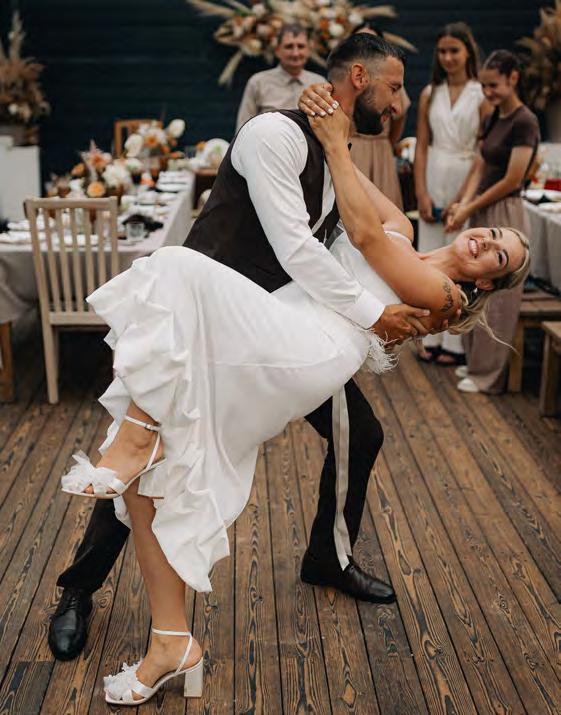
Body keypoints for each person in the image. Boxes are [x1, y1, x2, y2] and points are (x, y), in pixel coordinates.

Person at [60, 99, 529, 705]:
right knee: (157, 478)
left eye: (498, 255)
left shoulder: (440, 293)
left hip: (309, 346)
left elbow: (364, 234)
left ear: (486, 282)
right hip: (278, 319)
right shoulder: (405, 232)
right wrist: (328, 127)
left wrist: (334, 141)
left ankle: (140, 438)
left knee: (175, 266)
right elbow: (356, 189)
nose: (485, 241)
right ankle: (170, 641)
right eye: (493, 233)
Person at [49, 33, 429, 666]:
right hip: (198, 331)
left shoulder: (335, 156)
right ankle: (77, 591)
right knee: (141, 457)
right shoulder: (273, 135)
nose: (400, 103)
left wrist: (341, 147)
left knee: (359, 433)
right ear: (359, 79)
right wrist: (374, 313)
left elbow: (390, 225)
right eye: (394, 88)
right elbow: (296, 249)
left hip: (279, 333)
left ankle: (328, 557)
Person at [446, 50, 540, 393]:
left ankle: (489, 374)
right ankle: (475, 361)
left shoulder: (525, 121)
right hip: (484, 210)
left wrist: (470, 207)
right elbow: (481, 164)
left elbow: (512, 179)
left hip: (505, 213)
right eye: (484, 86)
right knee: (474, 288)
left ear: (513, 79)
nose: (487, 93)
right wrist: (464, 202)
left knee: (498, 299)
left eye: (494, 86)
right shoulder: (495, 116)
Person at [414, 22, 490, 366]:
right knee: (430, 258)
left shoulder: (481, 95)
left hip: (465, 175)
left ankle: (455, 343)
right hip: (434, 173)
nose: (448, 57)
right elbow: (421, 146)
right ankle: (426, 333)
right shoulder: (430, 93)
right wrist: (421, 193)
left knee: (462, 259)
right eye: (442, 51)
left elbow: (483, 150)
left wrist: (462, 198)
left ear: (468, 53)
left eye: (454, 51)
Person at [349, 22, 410, 209]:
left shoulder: (392, 81)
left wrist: (385, 143)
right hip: (351, 151)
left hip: (381, 152)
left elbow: (400, 115)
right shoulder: (345, 77)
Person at [235, 23, 326, 130]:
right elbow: (243, 127)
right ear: (277, 51)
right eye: (289, 47)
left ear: (309, 50)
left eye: (301, 46)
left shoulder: (319, 83)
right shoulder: (258, 82)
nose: (295, 53)